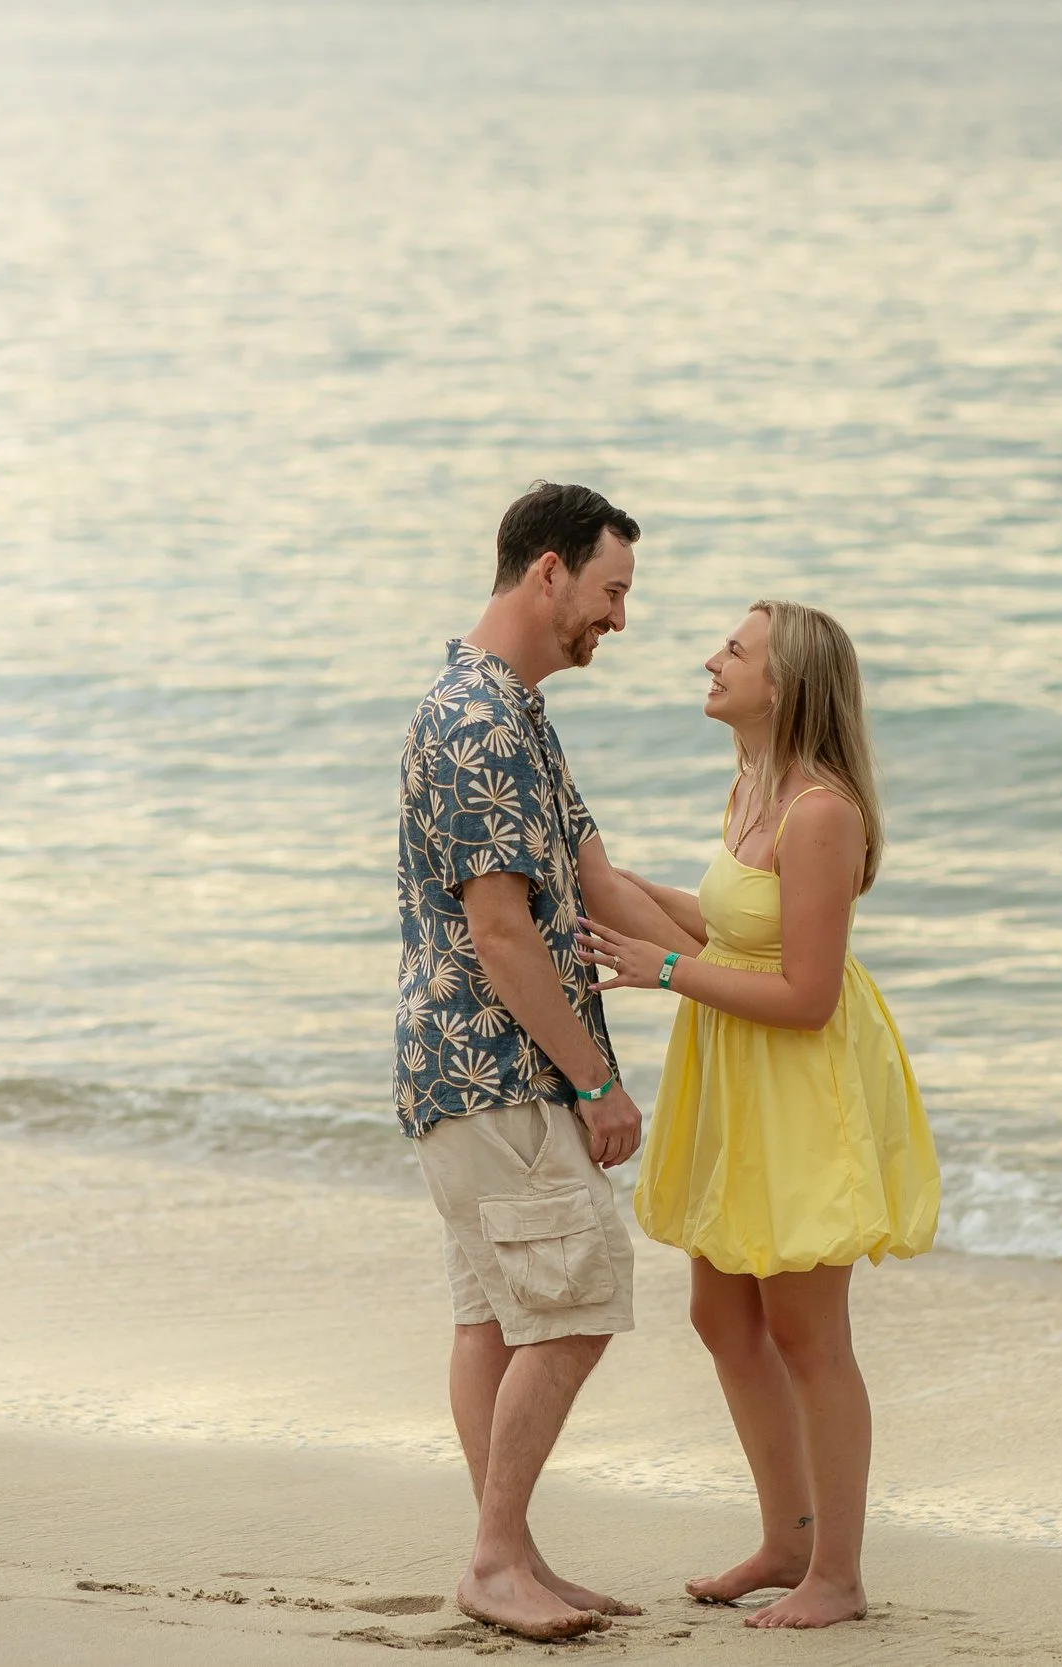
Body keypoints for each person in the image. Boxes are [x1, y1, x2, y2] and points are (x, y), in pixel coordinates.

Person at [577, 599, 941, 1630]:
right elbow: (734, 923)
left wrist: (665, 969)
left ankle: (838, 1571)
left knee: (805, 1329)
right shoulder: (750, 783)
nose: (709, 657)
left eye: (732, 650)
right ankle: (785, 1539)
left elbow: (808, 991)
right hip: (737, 1066)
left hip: (797, 1075)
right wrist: (616, 888)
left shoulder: (819, 810)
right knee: (721, 1313)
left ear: (783, 686)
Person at [394, 481, 688, 1641]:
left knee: (501, 1318)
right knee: (574, 1304)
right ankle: (492, 1557)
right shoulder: (475, 720)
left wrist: (753, 969)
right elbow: (502, 928)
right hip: (496, 1068)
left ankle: (507, 1554)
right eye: (611, 591)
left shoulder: (514, 711)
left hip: (466, 1074)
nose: (618, 618)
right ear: (548, 572)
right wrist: (600, 1084)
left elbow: (602, 886)